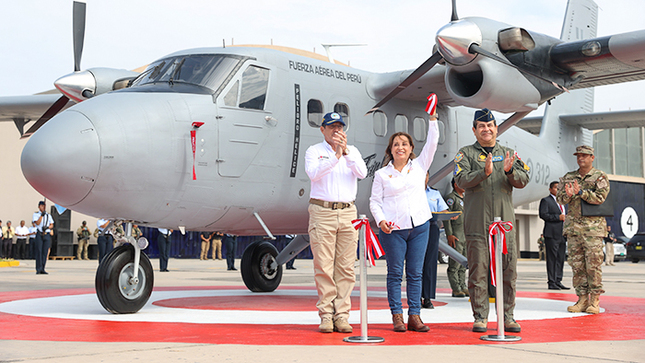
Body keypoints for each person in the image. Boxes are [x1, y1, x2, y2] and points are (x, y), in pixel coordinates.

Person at [454, 108, 529, 333]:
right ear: (475, 130)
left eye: (490, 125)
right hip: (478, 224)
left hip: (504, 225)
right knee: (479, 271)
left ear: (496, 128)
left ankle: (508, 316)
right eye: (481, 126)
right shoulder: (465, 154)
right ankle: (480, 317)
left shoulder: (509, 154)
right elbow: (460, 179)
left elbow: (523, 178)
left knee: (508, 270)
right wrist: (483, 173)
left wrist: (508, 173)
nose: (486, 129)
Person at [370, 110, 439, 333]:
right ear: (390, 150)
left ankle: (415, 316)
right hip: (394, 231)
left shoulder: (420, 166)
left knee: (415, 273)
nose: (400, 147)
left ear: (411, 149)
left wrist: (432, 119)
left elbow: (432, 142)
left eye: (405, 144)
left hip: (420, 227)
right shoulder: (381, 174)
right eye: (396, 144)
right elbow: (374, 202)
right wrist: (381, 221)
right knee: (395, 273)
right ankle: (397, 316)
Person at [306, 111, 367, 334]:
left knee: (346, 267)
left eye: (339, 127)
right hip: (323, 211)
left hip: (348, 211)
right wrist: (336, 155)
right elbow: (314, 174)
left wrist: (346, 153)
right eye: (331, 127)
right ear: (322, 130)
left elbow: (362, 172)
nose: (336, 131)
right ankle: (326, 315)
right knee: (323, 265)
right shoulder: (314, 151)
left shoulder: (354, 152)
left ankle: (342, 315)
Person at [557, 145, 609, 315]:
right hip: (573, 229)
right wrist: (569, 194)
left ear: (592, 157)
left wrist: (582, 193)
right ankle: (582, 299)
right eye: (579, 155)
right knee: (577, 266)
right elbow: (560, 199)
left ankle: (594, 300)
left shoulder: (599, 176)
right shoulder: (569, 177)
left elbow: (601, 198)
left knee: (593, 265)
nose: (581, 158)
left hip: (592, 230)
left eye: (585, 156)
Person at [421, 174, 449, 309]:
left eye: (425, 175)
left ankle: (427, 297)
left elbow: (443, 210)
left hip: (432, 227)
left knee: (430, 263)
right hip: (415, 228)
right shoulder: (410, 192)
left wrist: (449, 214)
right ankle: (415, 296)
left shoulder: (434, 193)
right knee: (415, 263)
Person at [539, 181, 569, 290]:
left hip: (562, 234)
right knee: (552, 259)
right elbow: (543, 215)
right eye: (556, 188)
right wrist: (558, 217)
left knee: (560, 258)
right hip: (551, 234)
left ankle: (558, 280)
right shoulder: (546, 201)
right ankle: (551, 282)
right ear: (551, 189)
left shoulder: (563, 203)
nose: (559, 190)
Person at [444, 178, 468, 298]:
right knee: (455, 264)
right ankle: (455, 288)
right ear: (455, 184)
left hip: (465, 235)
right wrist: (449, 234)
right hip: (456, 235)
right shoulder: (451, 198)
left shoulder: (466, 198)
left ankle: (463, 286)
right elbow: (446, 217)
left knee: (464, 263)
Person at [32, 201, 54, 274]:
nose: (43, 207)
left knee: (45, 252)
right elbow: (37, 223)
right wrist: (41, 215)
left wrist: (47, 227)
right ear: (39, 207)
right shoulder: (36, 214)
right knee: (39, 251)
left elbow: (52, 224)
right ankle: (38, 268)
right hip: (39, 233)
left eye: (44, 206)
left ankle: (43, 268)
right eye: (41, 206)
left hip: (46, 233)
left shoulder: (48, 215)